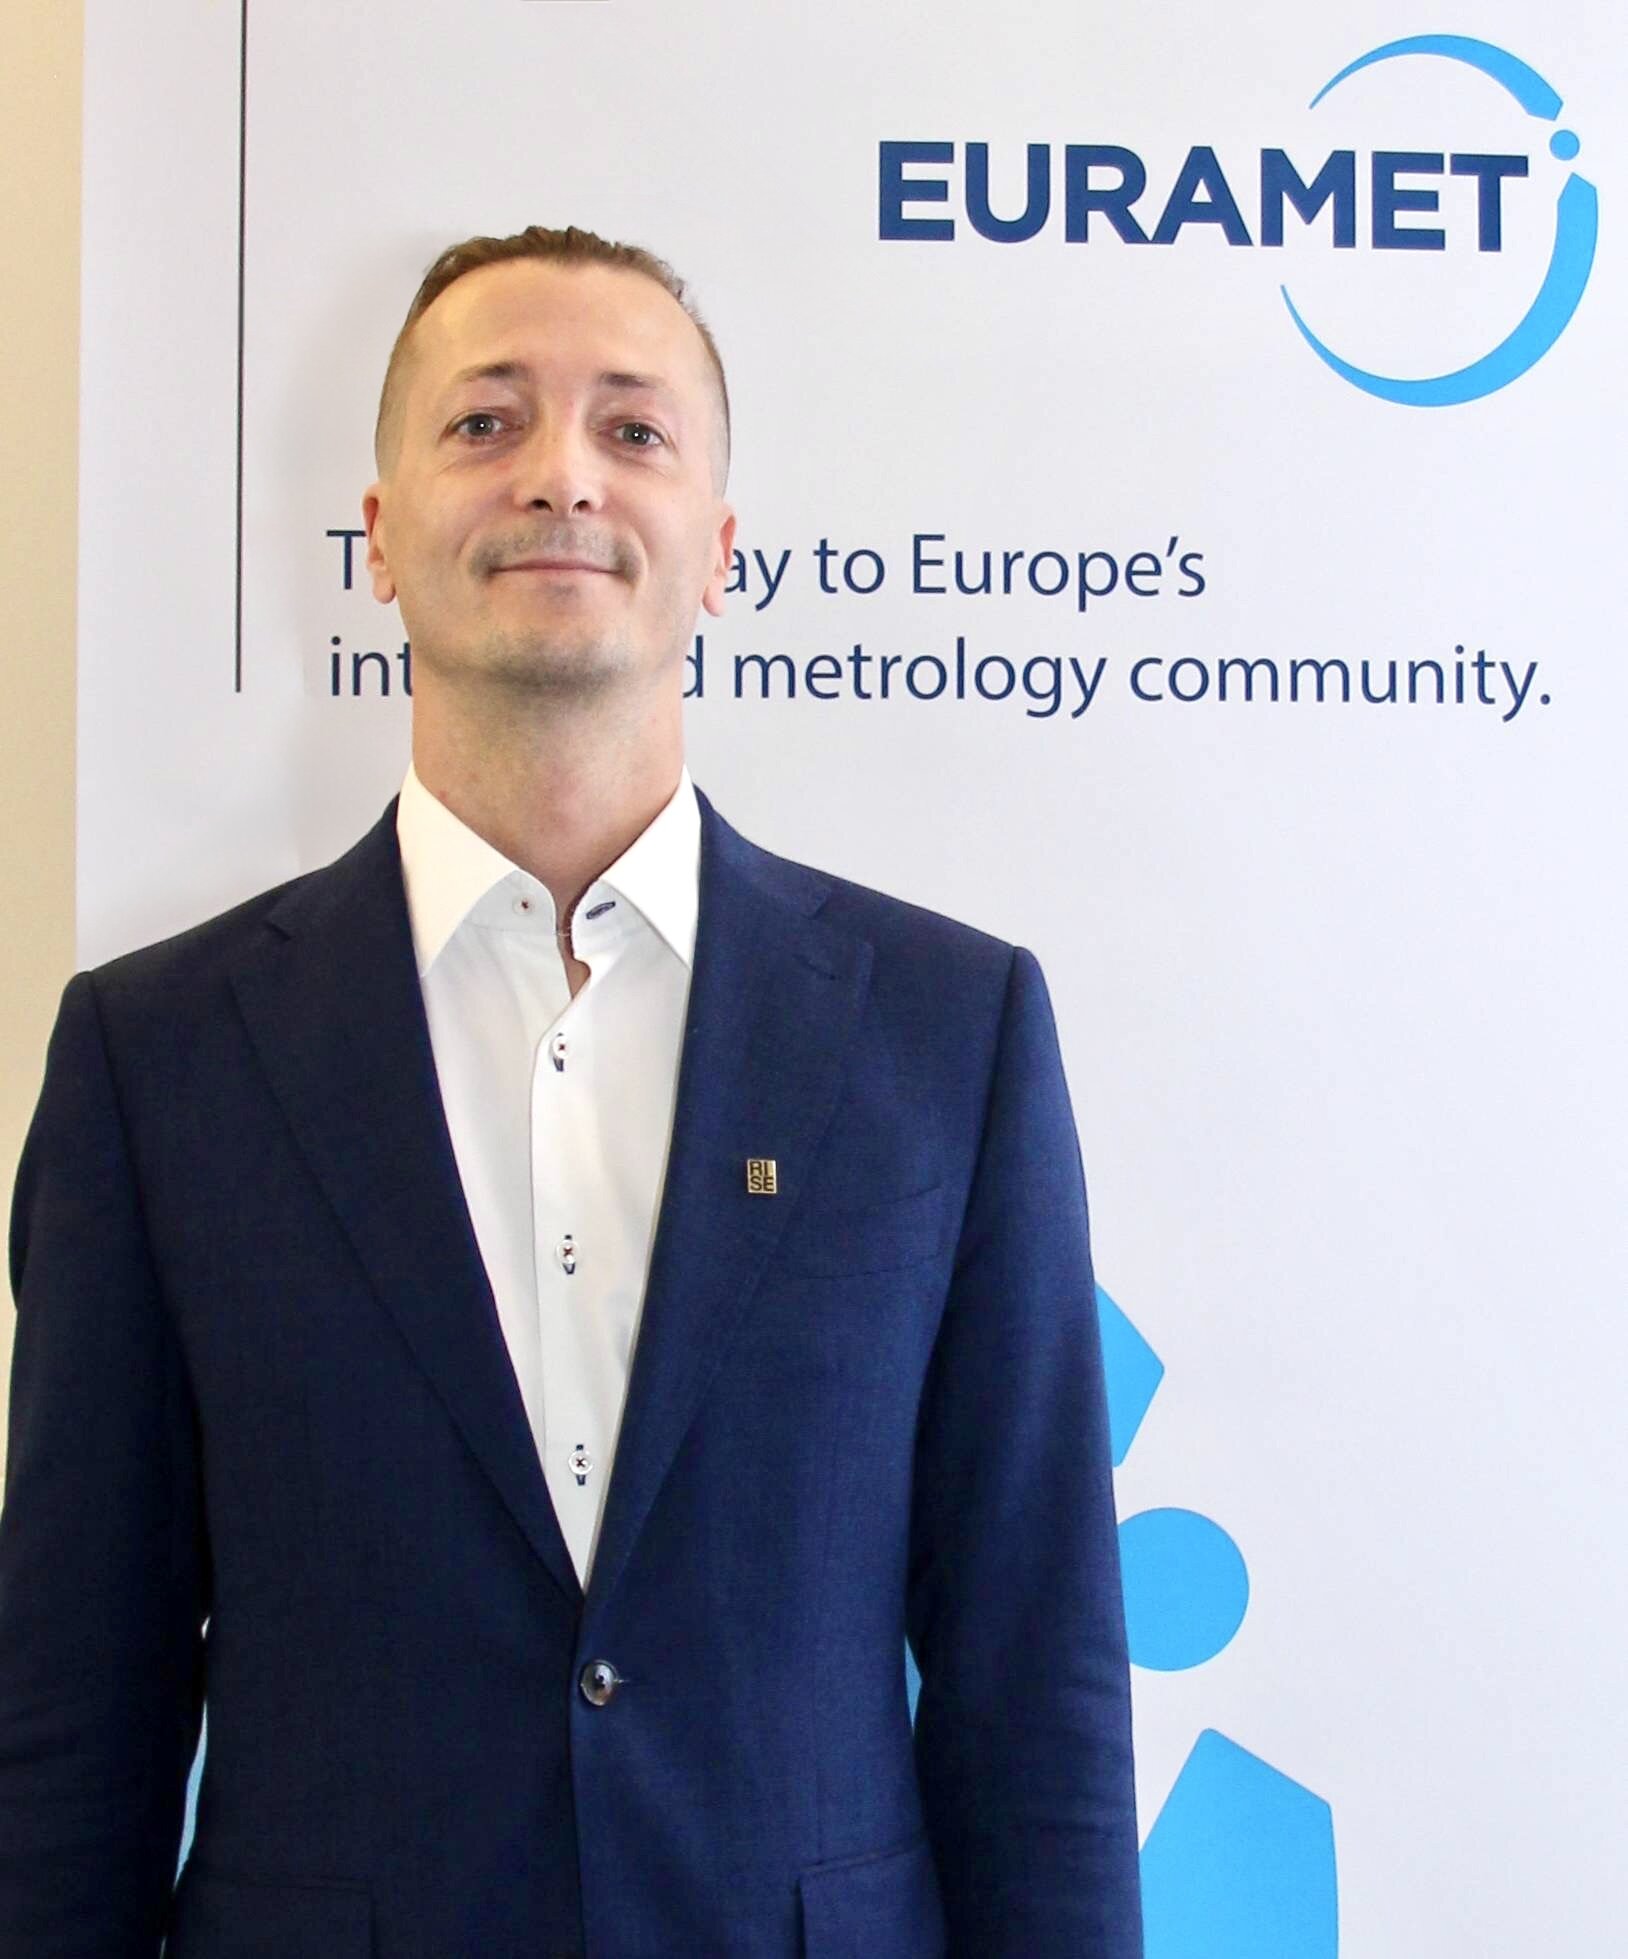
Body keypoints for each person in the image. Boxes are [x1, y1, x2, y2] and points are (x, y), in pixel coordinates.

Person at [0, 224, 1142, 1958]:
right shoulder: (157, 1060)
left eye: (633, 428)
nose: (560, 476)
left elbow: (1034, 1677)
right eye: (485, 423)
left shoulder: (945, 1036)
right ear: (377, 541)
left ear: (721, 551)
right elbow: (74, 1713)